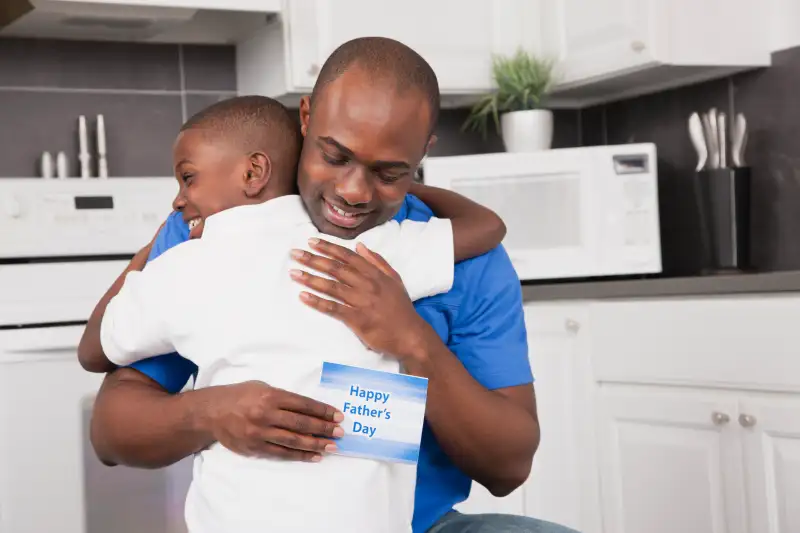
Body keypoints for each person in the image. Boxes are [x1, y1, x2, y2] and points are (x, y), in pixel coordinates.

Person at [87, 37, 580, 533]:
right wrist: (210, 413)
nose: (353, 192)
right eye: (335, 155)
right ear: (306, 119)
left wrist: (412, 341)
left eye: (390, 172)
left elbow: (508, 468)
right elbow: (109, 430)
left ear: (422, 153)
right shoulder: (216, 226)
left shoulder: (446, 253)